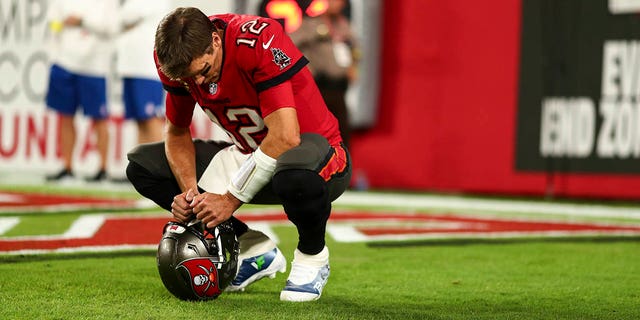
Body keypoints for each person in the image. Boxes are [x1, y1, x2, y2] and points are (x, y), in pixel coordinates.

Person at [125, 7, 351, 302]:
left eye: (204, 71)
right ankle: (252, 248)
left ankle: (312, 256)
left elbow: (285, 136)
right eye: (191, 79)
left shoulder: (256, 41)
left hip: (315, 157)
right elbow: (177, 131)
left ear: (216, 42)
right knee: (143, 166)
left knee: (294, 173)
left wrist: (229, 199)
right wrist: (191, 195)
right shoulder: (176, 58)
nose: (201, 84)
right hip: (248, 153)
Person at [45, 0, 119, 182]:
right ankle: (67, 166)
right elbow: (53, 22)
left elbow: (112, 27)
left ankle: (103, 168)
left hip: (94, 65)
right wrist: (55, 50)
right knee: (65, 115)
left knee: (99, 118)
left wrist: (82, 22)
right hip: (64, 62)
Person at [289, 0, 359, 148]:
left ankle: (342, 168)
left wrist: (354, 66)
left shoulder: (343, 24)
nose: (336, 4)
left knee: (342, 136)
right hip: (319, 88)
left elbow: (355, 48)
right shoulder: (312, 23)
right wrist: (306, 70)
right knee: (317, 136)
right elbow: (290, 43)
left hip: (339, 89)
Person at [116, 0, 170, 144]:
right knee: (140, 121)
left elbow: (125, 17)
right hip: (131, 67)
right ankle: (143, 165)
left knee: (151, 118)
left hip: (147, 70)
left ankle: (162, 164)